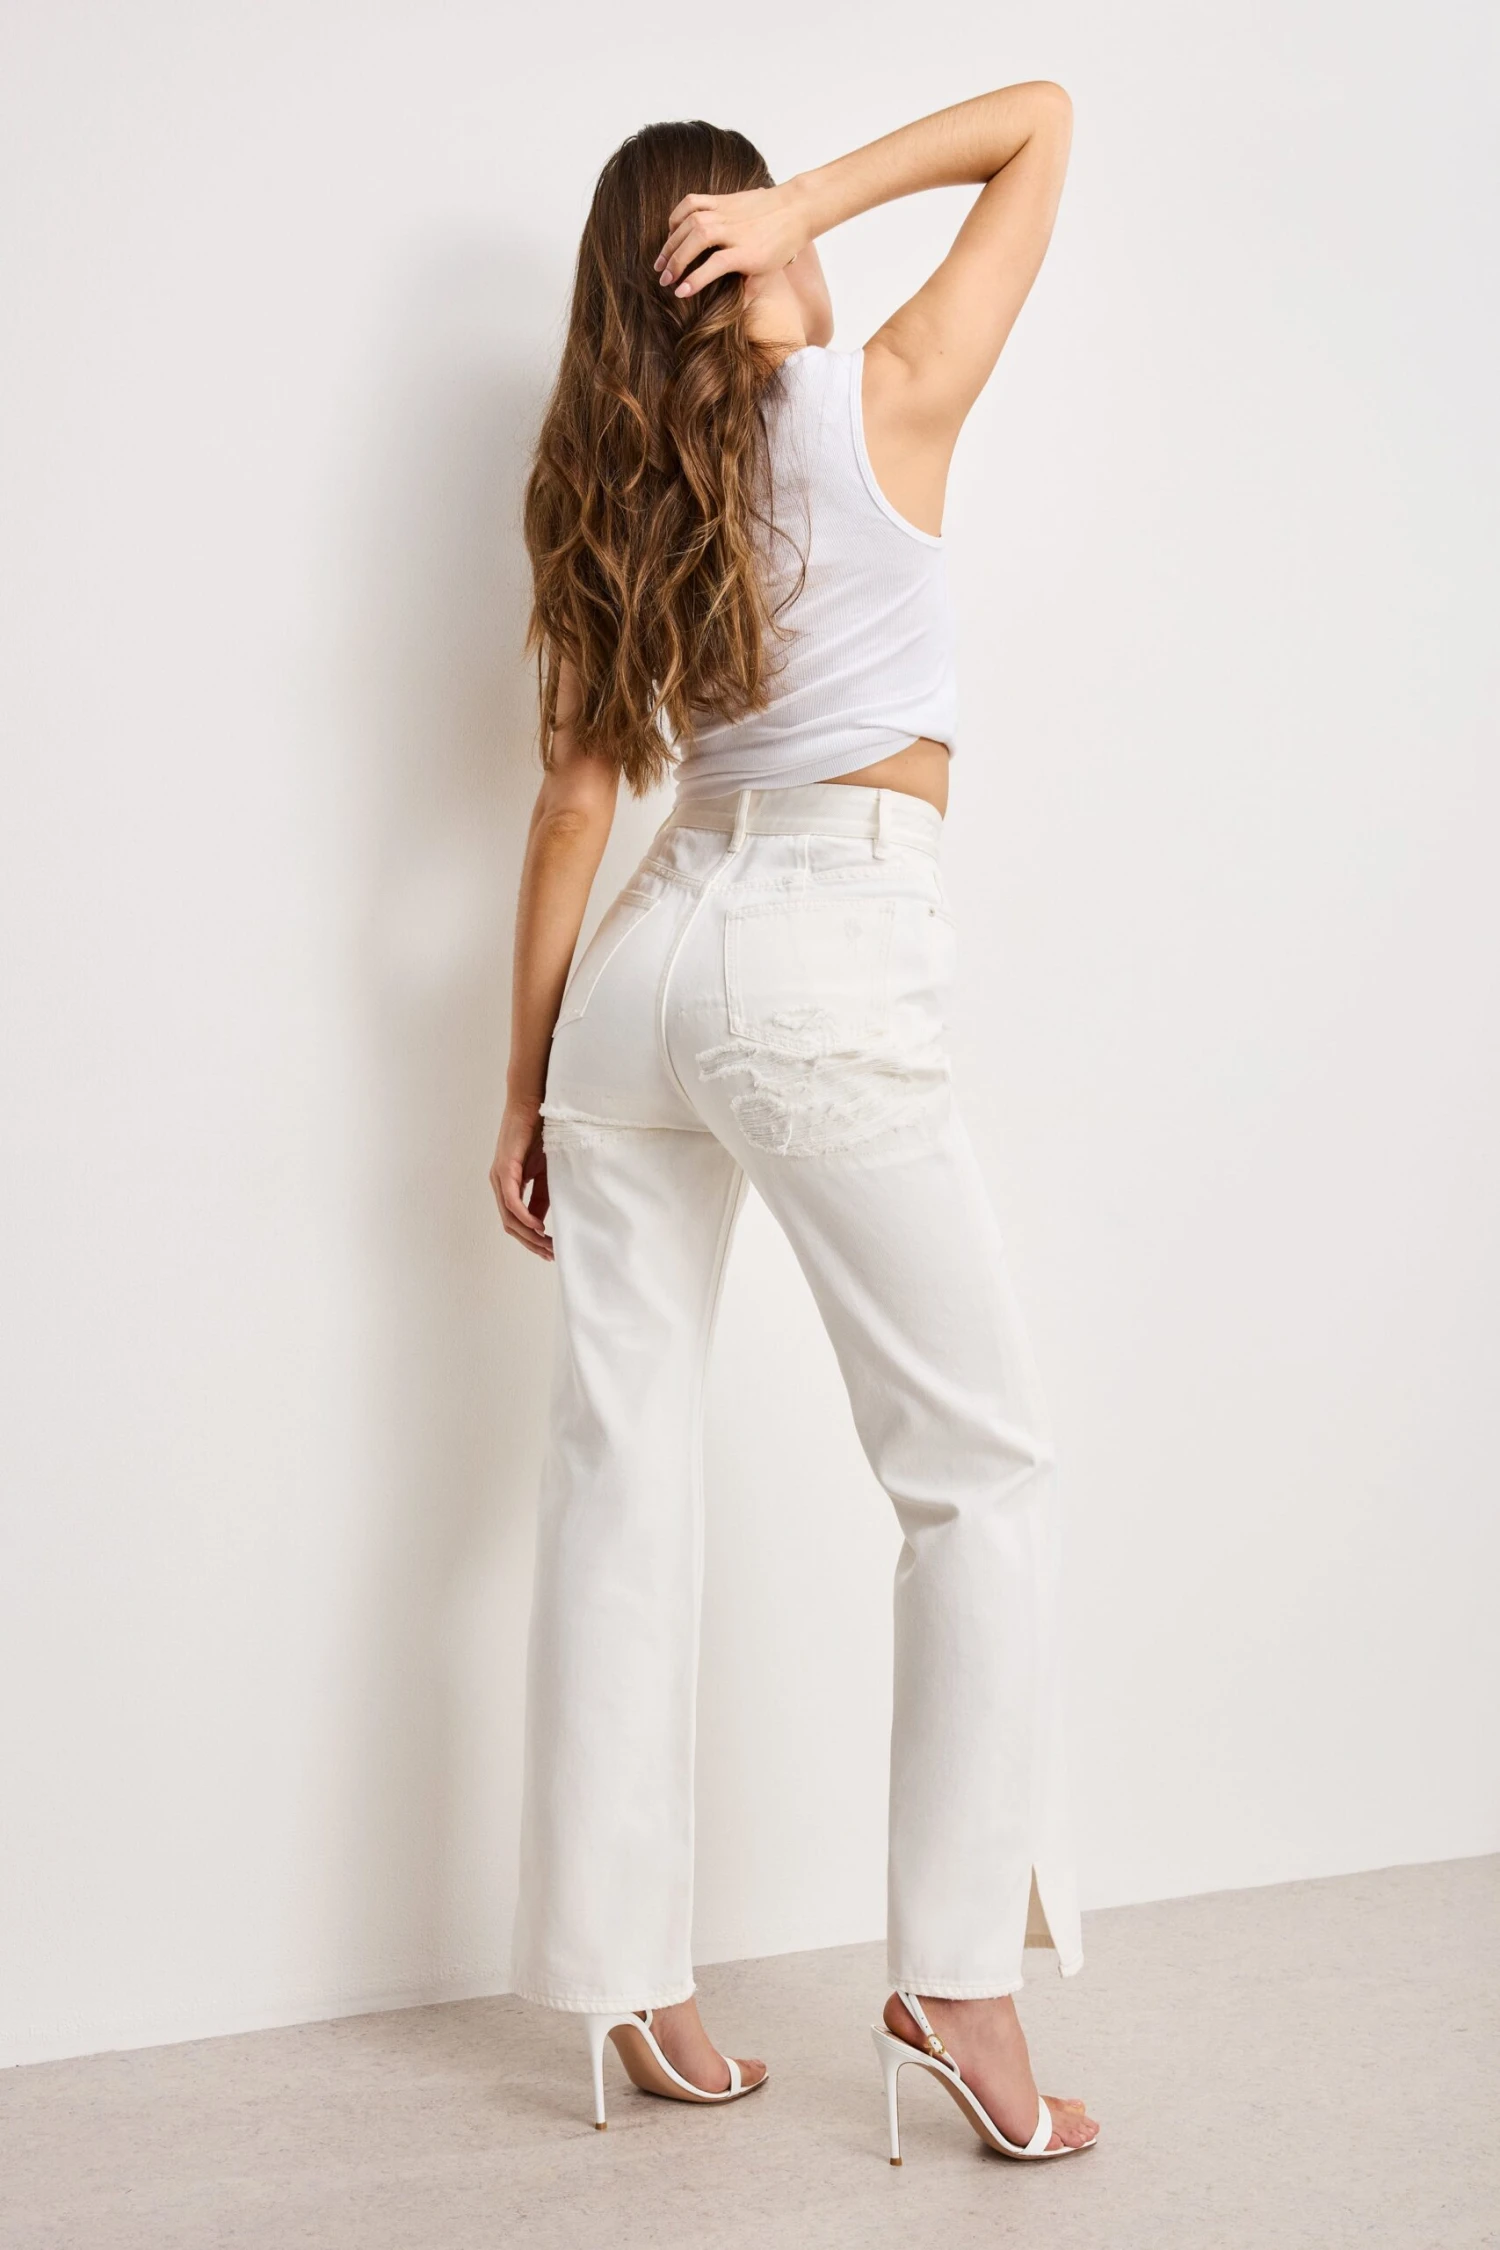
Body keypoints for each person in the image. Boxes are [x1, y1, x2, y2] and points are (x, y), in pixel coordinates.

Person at [490, 87, 1100, 2164]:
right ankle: (959, 1978)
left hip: (640, 977)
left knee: (618, 1468)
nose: (812, 247)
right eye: (775, 224)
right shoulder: (883, 397)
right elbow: (1043, 123)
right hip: (824, 953)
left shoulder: (605, 483)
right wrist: (812, 200)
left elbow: (576, 803)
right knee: (978, 1468)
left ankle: (629, 1984)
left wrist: (521, 1083)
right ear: (749, 252)